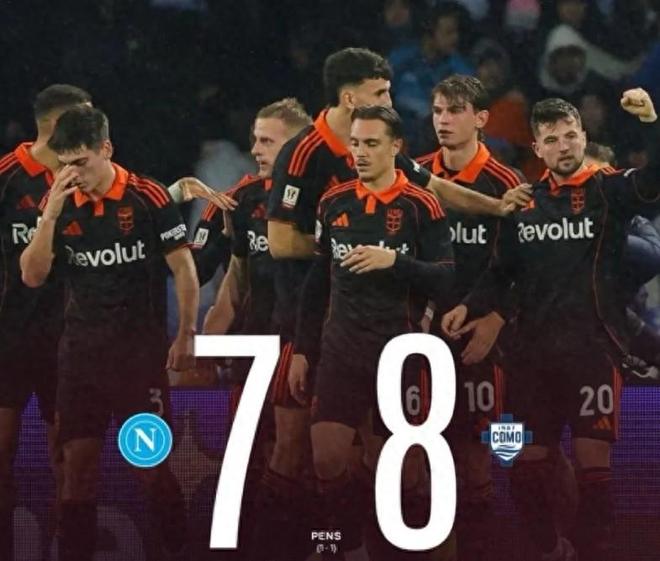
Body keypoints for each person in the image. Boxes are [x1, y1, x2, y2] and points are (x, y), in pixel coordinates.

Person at [443, 89, 660, 561]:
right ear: (537, 149)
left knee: (594, 468)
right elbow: (501, 273)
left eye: (571, 136)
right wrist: (469, 305)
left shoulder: (608, 190)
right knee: (516, 464)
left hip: (592, 354)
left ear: (583, 136)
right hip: (527, 360)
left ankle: (592, 552)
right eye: (553, 139)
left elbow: (653, 180)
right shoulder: (521, 204)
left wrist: (650, 123)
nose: (564, 146)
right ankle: (549, 551)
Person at [20, 106, 199, 561]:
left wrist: (186, 335)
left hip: (139, 362)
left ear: (107, 149)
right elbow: (32, 276)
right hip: (80, 361)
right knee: (76, 473)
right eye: (64, 164)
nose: (73, 174)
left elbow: (184, 269)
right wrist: (49, 217)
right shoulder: (59, 203)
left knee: (151, 470)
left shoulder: (147, 196)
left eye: (81, 162)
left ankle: (178, 551)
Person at [290, 105, 454, 558]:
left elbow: (446, 277)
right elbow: (317, 282)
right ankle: (352, 549)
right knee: (326, 458)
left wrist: (394, 262)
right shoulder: (334, 202)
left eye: (371, 144)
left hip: (399, 353)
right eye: (355, 143)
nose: (359, 153)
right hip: (342, 348)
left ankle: (418, 543)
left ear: (395, 146)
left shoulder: (422, 204)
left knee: (403, 474)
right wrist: (303, 349)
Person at [415, 74, 524, 561]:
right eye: (438, 110)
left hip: (485, 344)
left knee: (484, 459)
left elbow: (525, 267)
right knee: (418, 457)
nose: (443, 120)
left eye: (455, 110)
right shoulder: (415, 175)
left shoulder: (507, 184)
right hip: (420, 338)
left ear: (481, 118)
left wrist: (494, 318)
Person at [0, 83, 91, 559]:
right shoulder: (7, 177)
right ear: (56, 126)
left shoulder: (89, 181)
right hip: (7, 341)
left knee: (68, 466)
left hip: (68, 343)